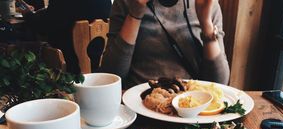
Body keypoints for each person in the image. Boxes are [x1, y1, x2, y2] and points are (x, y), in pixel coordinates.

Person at [101, 0, 230, 89]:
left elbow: (219, 83)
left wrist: (206, 22)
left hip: (192, 106)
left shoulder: (206, 3)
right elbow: (112, 76)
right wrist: (134, 14)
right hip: (138, 107)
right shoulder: (125, 2)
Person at [17, 0, 111, 73]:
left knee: (15, 46)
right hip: (100, 58)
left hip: (69, 62)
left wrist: (27, 14)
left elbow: (42, 28)